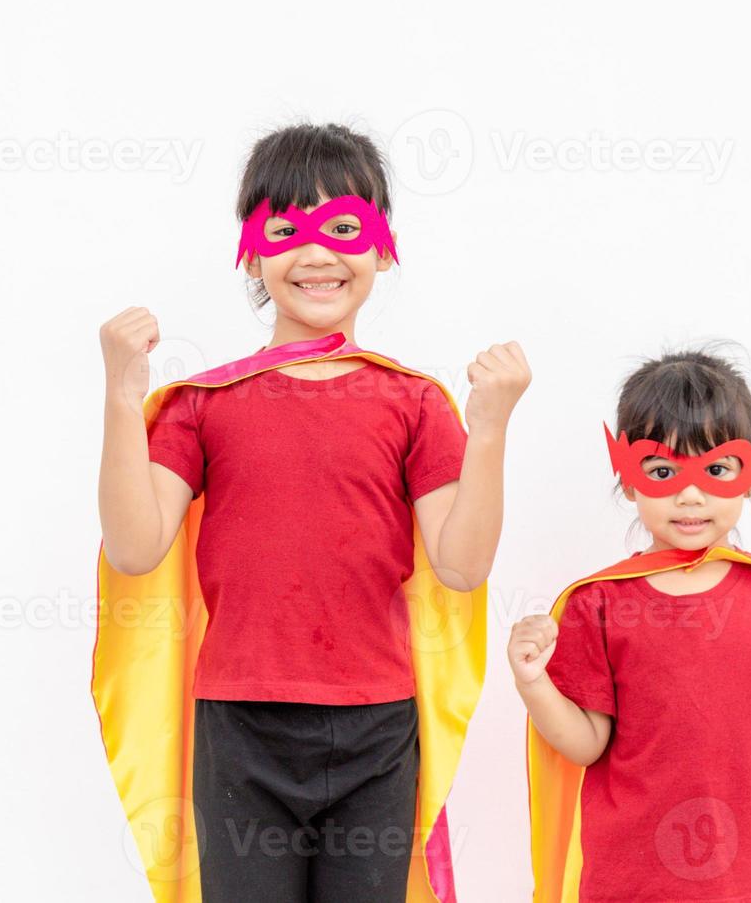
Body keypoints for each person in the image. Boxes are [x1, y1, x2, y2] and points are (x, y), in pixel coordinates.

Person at [94, 122, 529, 903]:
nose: (318, 253)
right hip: (240, 727)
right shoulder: (204, 404)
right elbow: (134, 548)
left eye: (344, 227)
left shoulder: (414, 402)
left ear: (382, 248)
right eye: (286, 229)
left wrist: (489, 425)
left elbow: (461, 564)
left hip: (377, 730)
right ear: (252, 253)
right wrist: (123, 400)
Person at [511, 345, 751, 903]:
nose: (690, 494)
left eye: (715, 470)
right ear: (627, 479)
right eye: (663, 471)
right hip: (631, 882)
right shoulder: (595, 603)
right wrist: (533, 682)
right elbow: (585, 744)